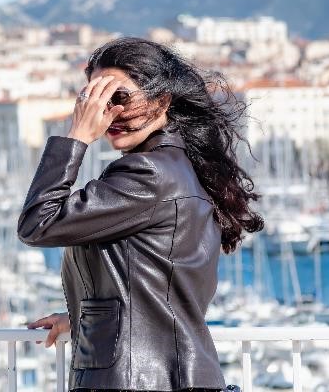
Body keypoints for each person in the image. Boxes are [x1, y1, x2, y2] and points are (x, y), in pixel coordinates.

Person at [18, 37, 263, 392]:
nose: (108, 113)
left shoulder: (149, 174)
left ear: (162, 100)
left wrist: (77, 136)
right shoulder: (175, 167)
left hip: (140, 379)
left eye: (120, 97)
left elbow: (38, 224)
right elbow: (157, 284)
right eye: (96, 99)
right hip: (164, 374)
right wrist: (88, 322)